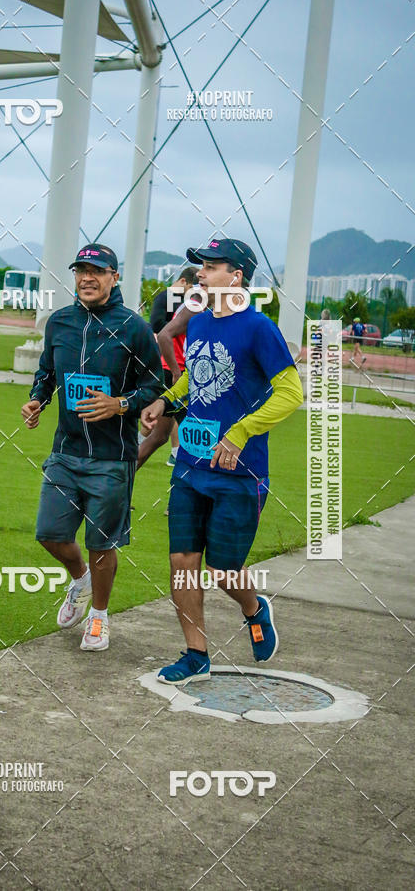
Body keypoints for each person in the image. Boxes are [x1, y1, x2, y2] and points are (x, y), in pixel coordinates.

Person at [141, 238, 303, 684]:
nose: (201, 274)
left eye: (211, 267)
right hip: (190, 465)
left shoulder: (259, 328)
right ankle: (196, 655)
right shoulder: (200, 323)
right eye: (200, 266)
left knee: (222, 570)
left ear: (236, 277)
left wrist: (240, 430)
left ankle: (253, 608)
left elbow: (292, 393)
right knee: (182, 563)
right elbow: (199, 374)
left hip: (240, 472)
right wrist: (165, 400)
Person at [21, 244, 163, 652]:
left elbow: (156, 383)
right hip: (65, 452)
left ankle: (99, 617)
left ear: (114, 277)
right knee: (49, 533)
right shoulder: (59, 322)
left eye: (97, 271)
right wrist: (38, 399)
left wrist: (119, 404)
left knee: (103, 544)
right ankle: (79, 580)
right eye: (81, 270)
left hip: (112, 458)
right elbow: (47, 372)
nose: (87, 277)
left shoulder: (134, 327)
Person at [148, 267, 198, 466]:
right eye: (194, 286)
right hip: (171, 367)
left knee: (161, 430)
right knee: (183, 419)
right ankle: (180, 455)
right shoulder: (169, 298)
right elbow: (158, 328)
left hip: (177, 367)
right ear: (184, 281)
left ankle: (176, 453)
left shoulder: (190, 303)